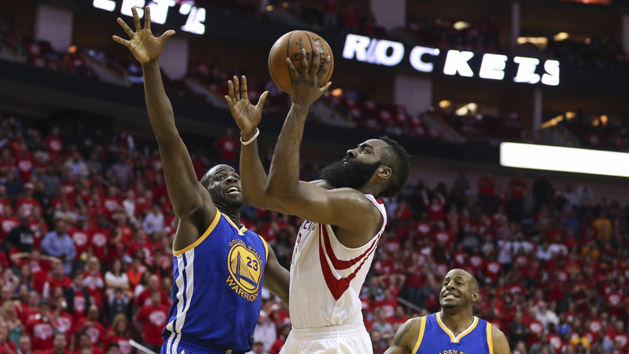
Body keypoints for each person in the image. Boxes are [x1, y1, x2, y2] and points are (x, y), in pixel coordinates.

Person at [112, 8, 289, 354]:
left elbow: (299, 294)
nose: (231, 178)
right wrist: (150, 67)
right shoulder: (199, 215)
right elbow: (169, 139)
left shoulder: (259, 245)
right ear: (203, 190)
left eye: (234, 174)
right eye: (219, 176)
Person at [225, 48, 410, 353]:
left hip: (335, 341)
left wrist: (299, 106)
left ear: (383, 172)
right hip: (302, 337)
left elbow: (283, 191)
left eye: (365, 150)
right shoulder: (329, 192)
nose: (351, 151)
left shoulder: (362, 209)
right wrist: (249, 135)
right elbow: (259, 195)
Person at [384, 269, 510, 354]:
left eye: (459, 283)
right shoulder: (415, 329)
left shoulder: (494, 337)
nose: (449, 286)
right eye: (445, 283)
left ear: (474, 296)